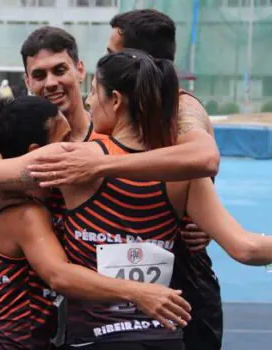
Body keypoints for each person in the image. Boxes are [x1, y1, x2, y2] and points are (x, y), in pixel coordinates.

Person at [0, 49, 272, 349]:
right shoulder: (184, 174)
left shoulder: (75, 160)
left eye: (94, 94)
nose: (87, 103)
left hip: (94, 336)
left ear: (116, 101)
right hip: (162, 337)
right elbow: (246, 249)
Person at [26, 10, 222, 349]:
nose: (51, 83)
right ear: (27, 81)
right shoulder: (26, 138)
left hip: (167, 302)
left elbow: (203, 163)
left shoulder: (174, 113)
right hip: (72, 306)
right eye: (38, 75)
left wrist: (202, 222)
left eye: (60, 70)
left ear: (80, 69)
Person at [0, 94, 193, 350]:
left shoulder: (60, 187)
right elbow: (59, 275)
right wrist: (138, 292)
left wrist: (189, 221)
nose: (75, 147)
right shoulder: (22, 211)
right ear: (37, 152)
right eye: (66, 140)